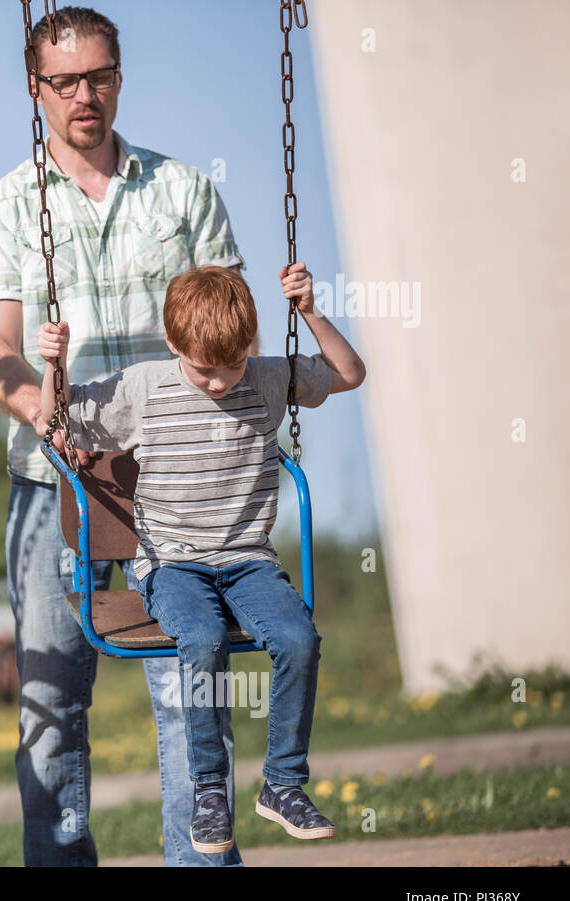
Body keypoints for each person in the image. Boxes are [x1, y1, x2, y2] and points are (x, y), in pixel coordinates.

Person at [0, 6, 252, 865]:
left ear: (119, 77)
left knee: (193, 690)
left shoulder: (184, 191)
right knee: (52, 702)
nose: (84, 95)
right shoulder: (4, 209)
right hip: (58, 480)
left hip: (181, 481)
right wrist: (52, 421)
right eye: (64, 81)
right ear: (35, 88)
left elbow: (229, 328)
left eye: (99, 76)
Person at [39, 262, 366, 853]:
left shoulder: (267, 379)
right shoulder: (144, 387)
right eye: (203, 370)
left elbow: (349, 372)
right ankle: (209, 790)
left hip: (248, 561)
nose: (219, 383)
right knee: (203, 639)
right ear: (173, 345)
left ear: (252, 346)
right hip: (172, 565)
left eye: (232, 365)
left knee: (298, 639)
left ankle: (284, 784)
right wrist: (52, 366)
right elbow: (55, 419)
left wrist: (311, 311)